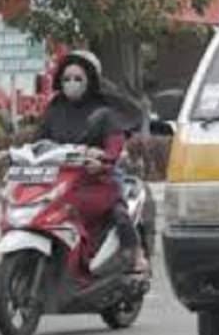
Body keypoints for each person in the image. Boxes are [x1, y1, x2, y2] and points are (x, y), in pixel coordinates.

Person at [38, 50, 146, 273]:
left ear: (90, 80)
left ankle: (135, 255)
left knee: (118, 212)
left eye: (78, 79)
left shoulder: (104, 113)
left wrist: (103, 160)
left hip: (95, 179)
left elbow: (114, 145)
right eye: (67, 79)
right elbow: (37, 142)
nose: (72, 84)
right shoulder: (53, 111)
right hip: (57, 182)